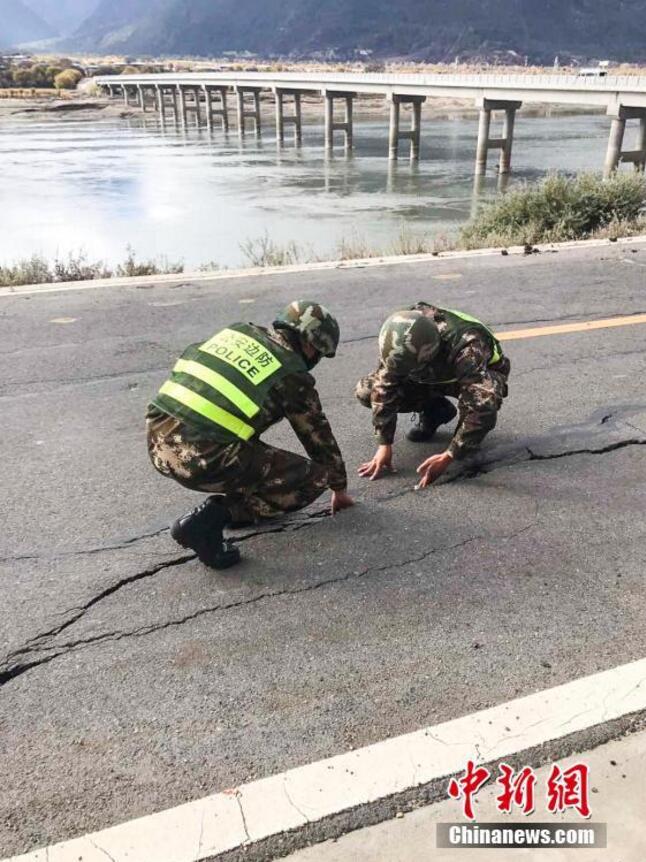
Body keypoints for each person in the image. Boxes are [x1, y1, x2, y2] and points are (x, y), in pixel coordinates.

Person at [147, 300, 354, 569]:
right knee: (313, 479)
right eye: (319, 353)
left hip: (156, 440)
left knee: (242, 436)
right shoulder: (291, 372)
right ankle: (214, 518)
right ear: (310, 344)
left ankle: (234, 502)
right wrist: (338, 486)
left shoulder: (238, 332)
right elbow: (316, 434)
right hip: (201, 457)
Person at [356, 302, 510, 488]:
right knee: (367, 391)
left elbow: (482, 406)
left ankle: (464, 441)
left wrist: (450, 455)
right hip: (432, 372)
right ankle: (436, 409)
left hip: (472, 375)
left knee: (478, 414)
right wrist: (384, 443)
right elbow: (385, 387)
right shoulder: (402, 333)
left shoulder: (468, 346)